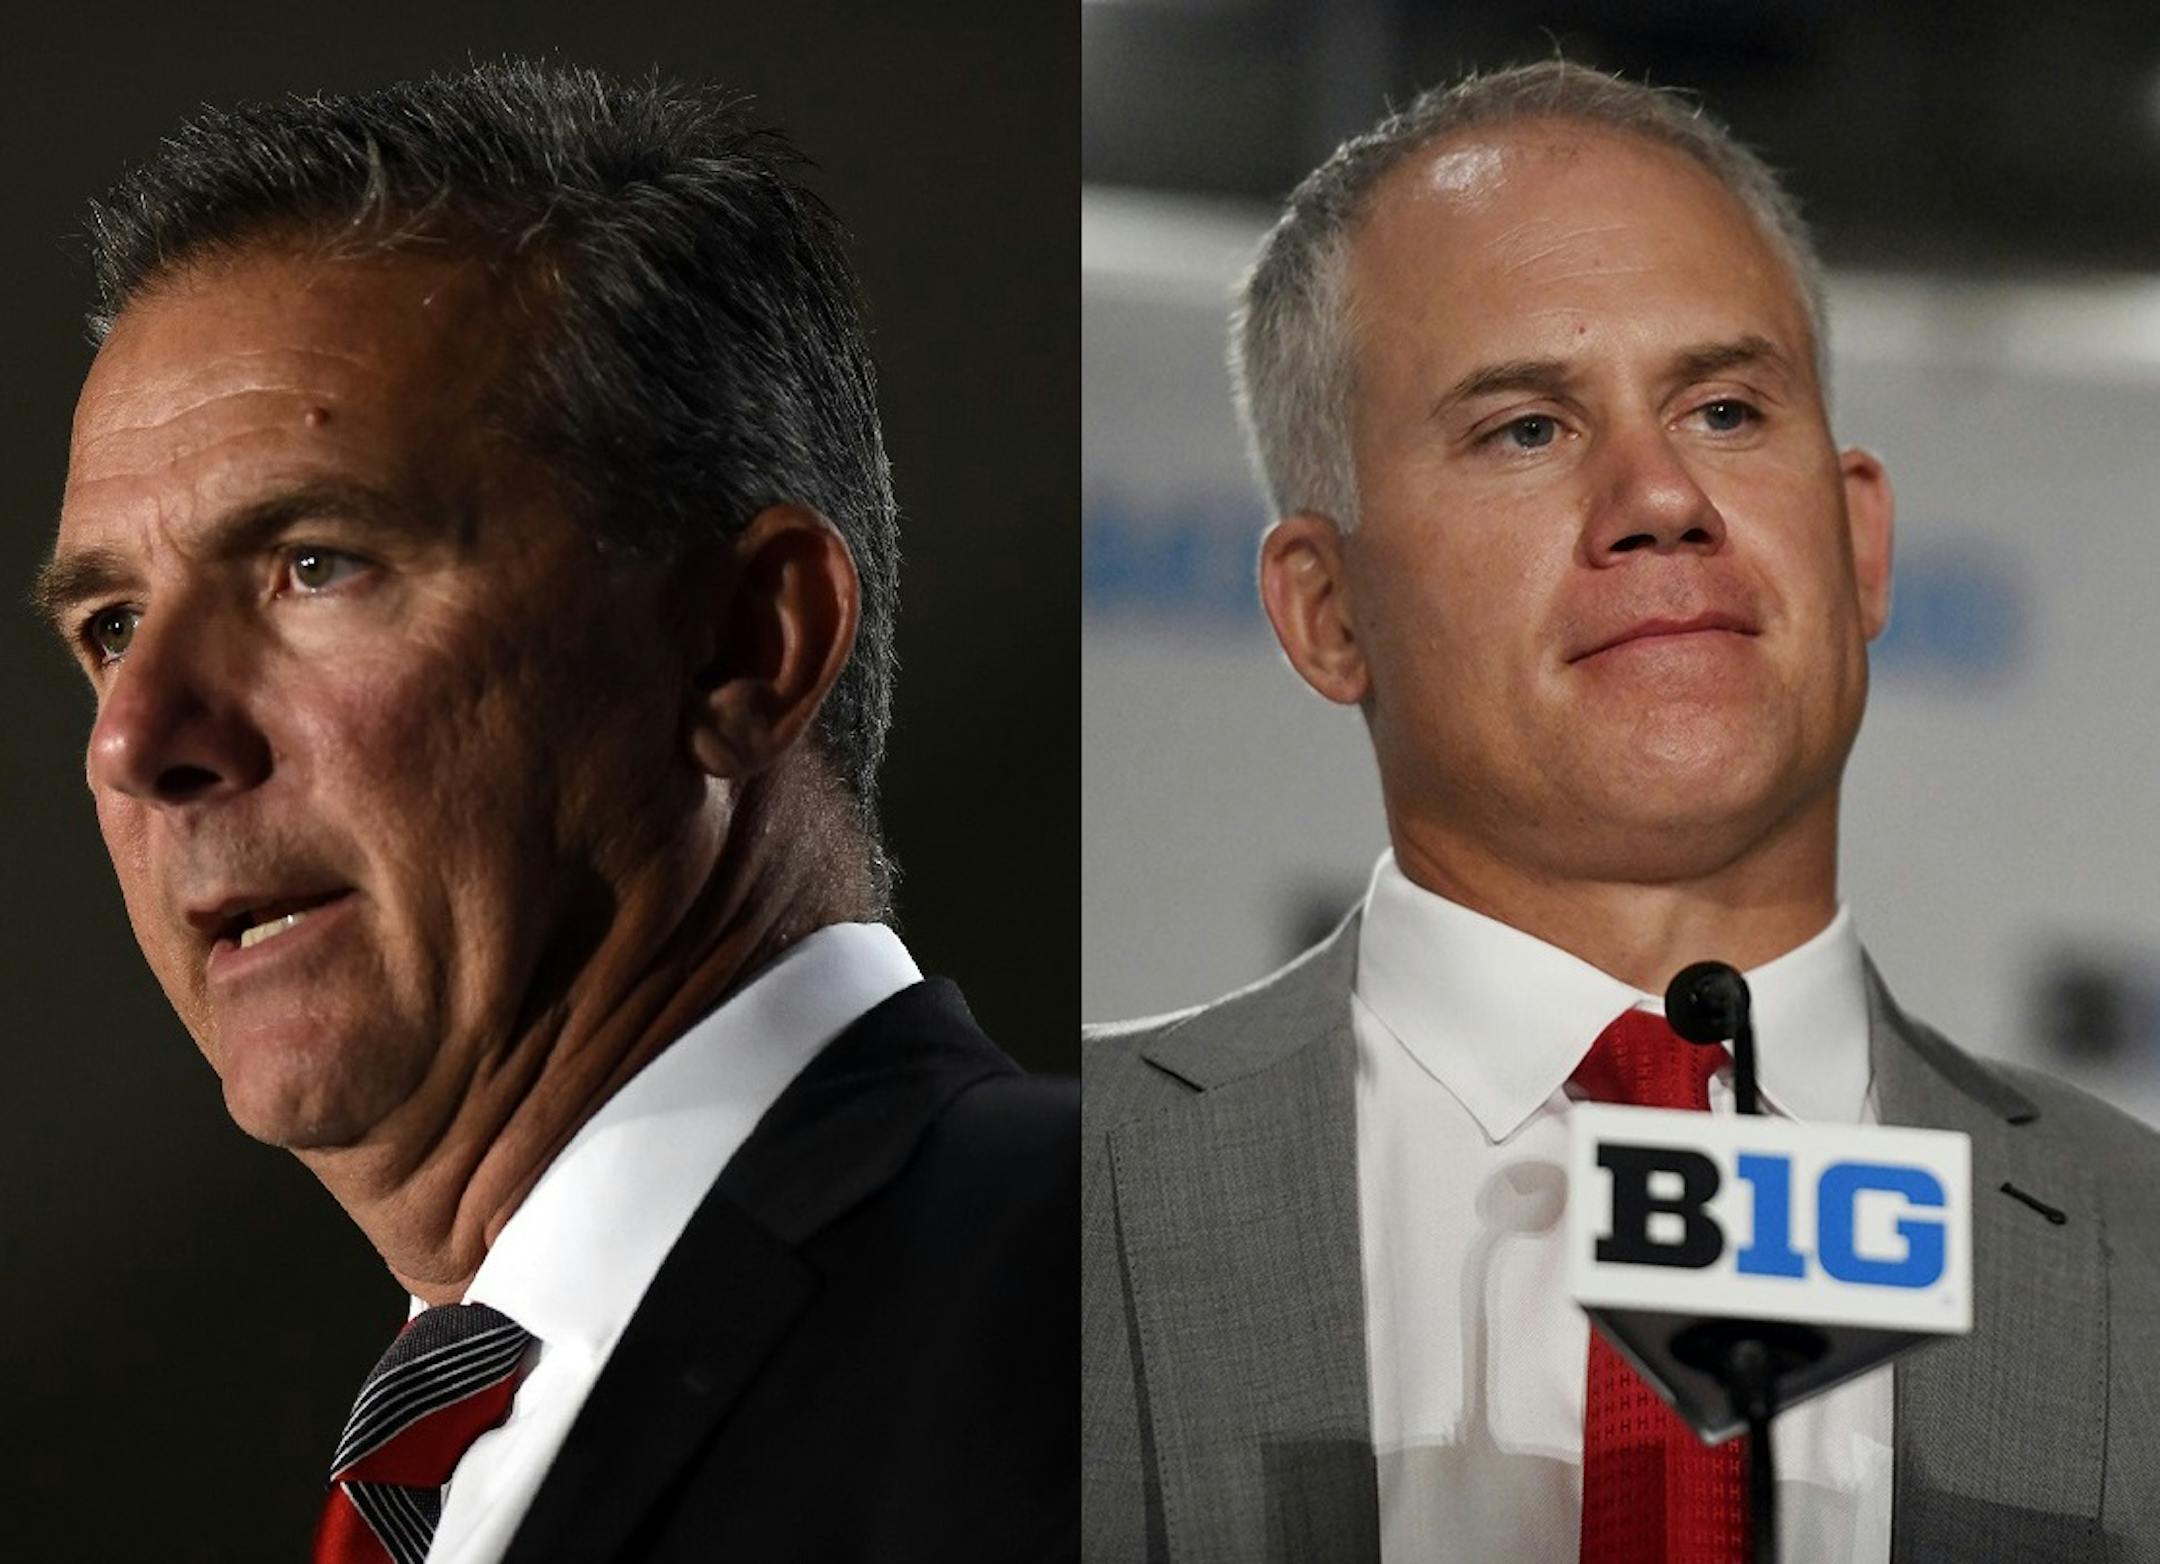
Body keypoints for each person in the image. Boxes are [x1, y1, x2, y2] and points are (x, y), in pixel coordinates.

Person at [1082, 59, 2160, 1564]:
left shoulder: (2142, 1253)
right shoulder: (1031, 1210)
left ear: (1858, 547)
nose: (1659, 495)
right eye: (1527, 428)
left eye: (1724, 408)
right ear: (1327, 613)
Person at [38, 60, 1075, 1564]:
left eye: (315, 563)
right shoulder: (440, 1459)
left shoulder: (1095, 1298)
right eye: (112, 626)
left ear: (742, 644)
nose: (138, 738)